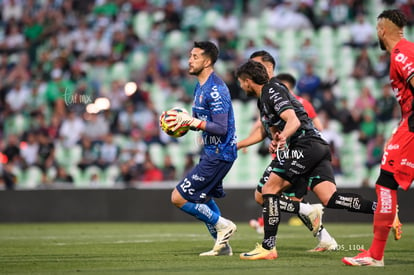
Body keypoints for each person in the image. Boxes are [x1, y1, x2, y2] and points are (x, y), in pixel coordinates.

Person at [236, 60, 379, 261]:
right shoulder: (264, 98)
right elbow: (275, 127)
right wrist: (276, 139)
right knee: (330, 198)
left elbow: (292, 120)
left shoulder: (271, 91)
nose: (241, 86)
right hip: (316, 146)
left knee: (268, 191)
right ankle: (382, 209)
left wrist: (283, 137)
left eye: (241, 82)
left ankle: (269, 247)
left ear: (248, 81)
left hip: (304, 146)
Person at [241, 50, 336, 252]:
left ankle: (269, 247)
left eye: (255, 66)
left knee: (270, 195)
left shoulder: (276, 91)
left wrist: (296, 143)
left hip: (300, 151)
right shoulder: (264, 95)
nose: (252, 71)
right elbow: (264, 129)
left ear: (268, 67)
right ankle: (322, 234)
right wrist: (241, 144)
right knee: (269, 197)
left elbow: (310, 124)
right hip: (288, 152)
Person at [342, 9, 412, 267]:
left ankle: (375, 255)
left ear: (382, 30)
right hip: (408, 123)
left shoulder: (401, 53)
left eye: (376, 30)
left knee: (385, 183)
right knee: (386, 182)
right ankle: (375, 254)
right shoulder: (406, 50)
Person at [163, 41, 237, 256]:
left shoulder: (215, 89)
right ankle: (222, 246)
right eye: (190, 56)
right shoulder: (201, 86)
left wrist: (192, 122)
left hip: (220, 153)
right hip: (212, 151)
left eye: (195, 56)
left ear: (207, 61)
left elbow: (221, 128)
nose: (189, 60)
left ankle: (223, 224)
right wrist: (183, 123)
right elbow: (205, 122)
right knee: (203, 198)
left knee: (178, 197)